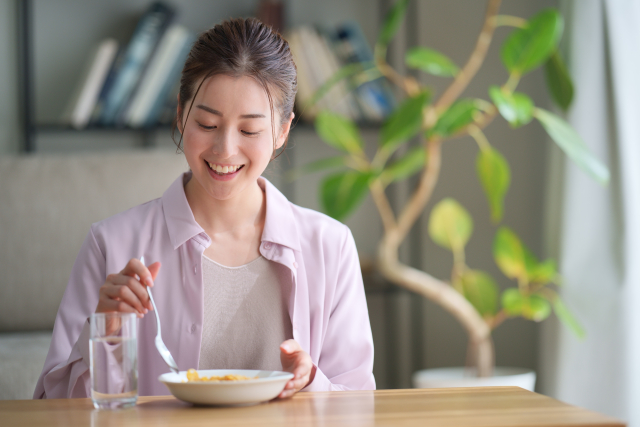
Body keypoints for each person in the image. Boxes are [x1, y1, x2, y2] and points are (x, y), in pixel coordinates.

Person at [34, 17, 375, 399]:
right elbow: (52, 407)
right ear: (181, 114)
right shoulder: (111, 244)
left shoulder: (331, 246)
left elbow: (357, 406)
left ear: (283, 131)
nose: (225, 150)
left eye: (249, 130)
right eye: (207, 123)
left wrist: (311, 381)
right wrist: (104, 334)